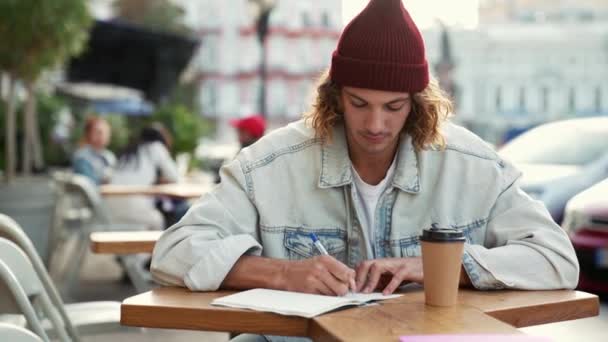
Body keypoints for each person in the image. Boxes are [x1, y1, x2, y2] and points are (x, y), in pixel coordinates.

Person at [151, 1, 578, 340]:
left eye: (393, 107)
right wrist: (283, 272)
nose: (376, 124)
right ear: (334, 98)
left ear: (416, 104)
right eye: (360, 103)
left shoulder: (473, 165)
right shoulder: (268, 165)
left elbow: (557, 260)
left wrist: (438, 268)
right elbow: (174, 251)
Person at [105, 123, 180, 230]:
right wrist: (159, 181)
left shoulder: (129, 150)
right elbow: (175, 177)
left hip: (111, 208)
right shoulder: (156, 147)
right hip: (133, 208)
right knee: (158, 219)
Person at [72, 116, 116, 185]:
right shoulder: (82, 157)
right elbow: (89, 184)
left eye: (107, 132)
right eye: (99, 132)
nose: (103, 135)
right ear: (89, 134)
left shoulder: (109, 156)